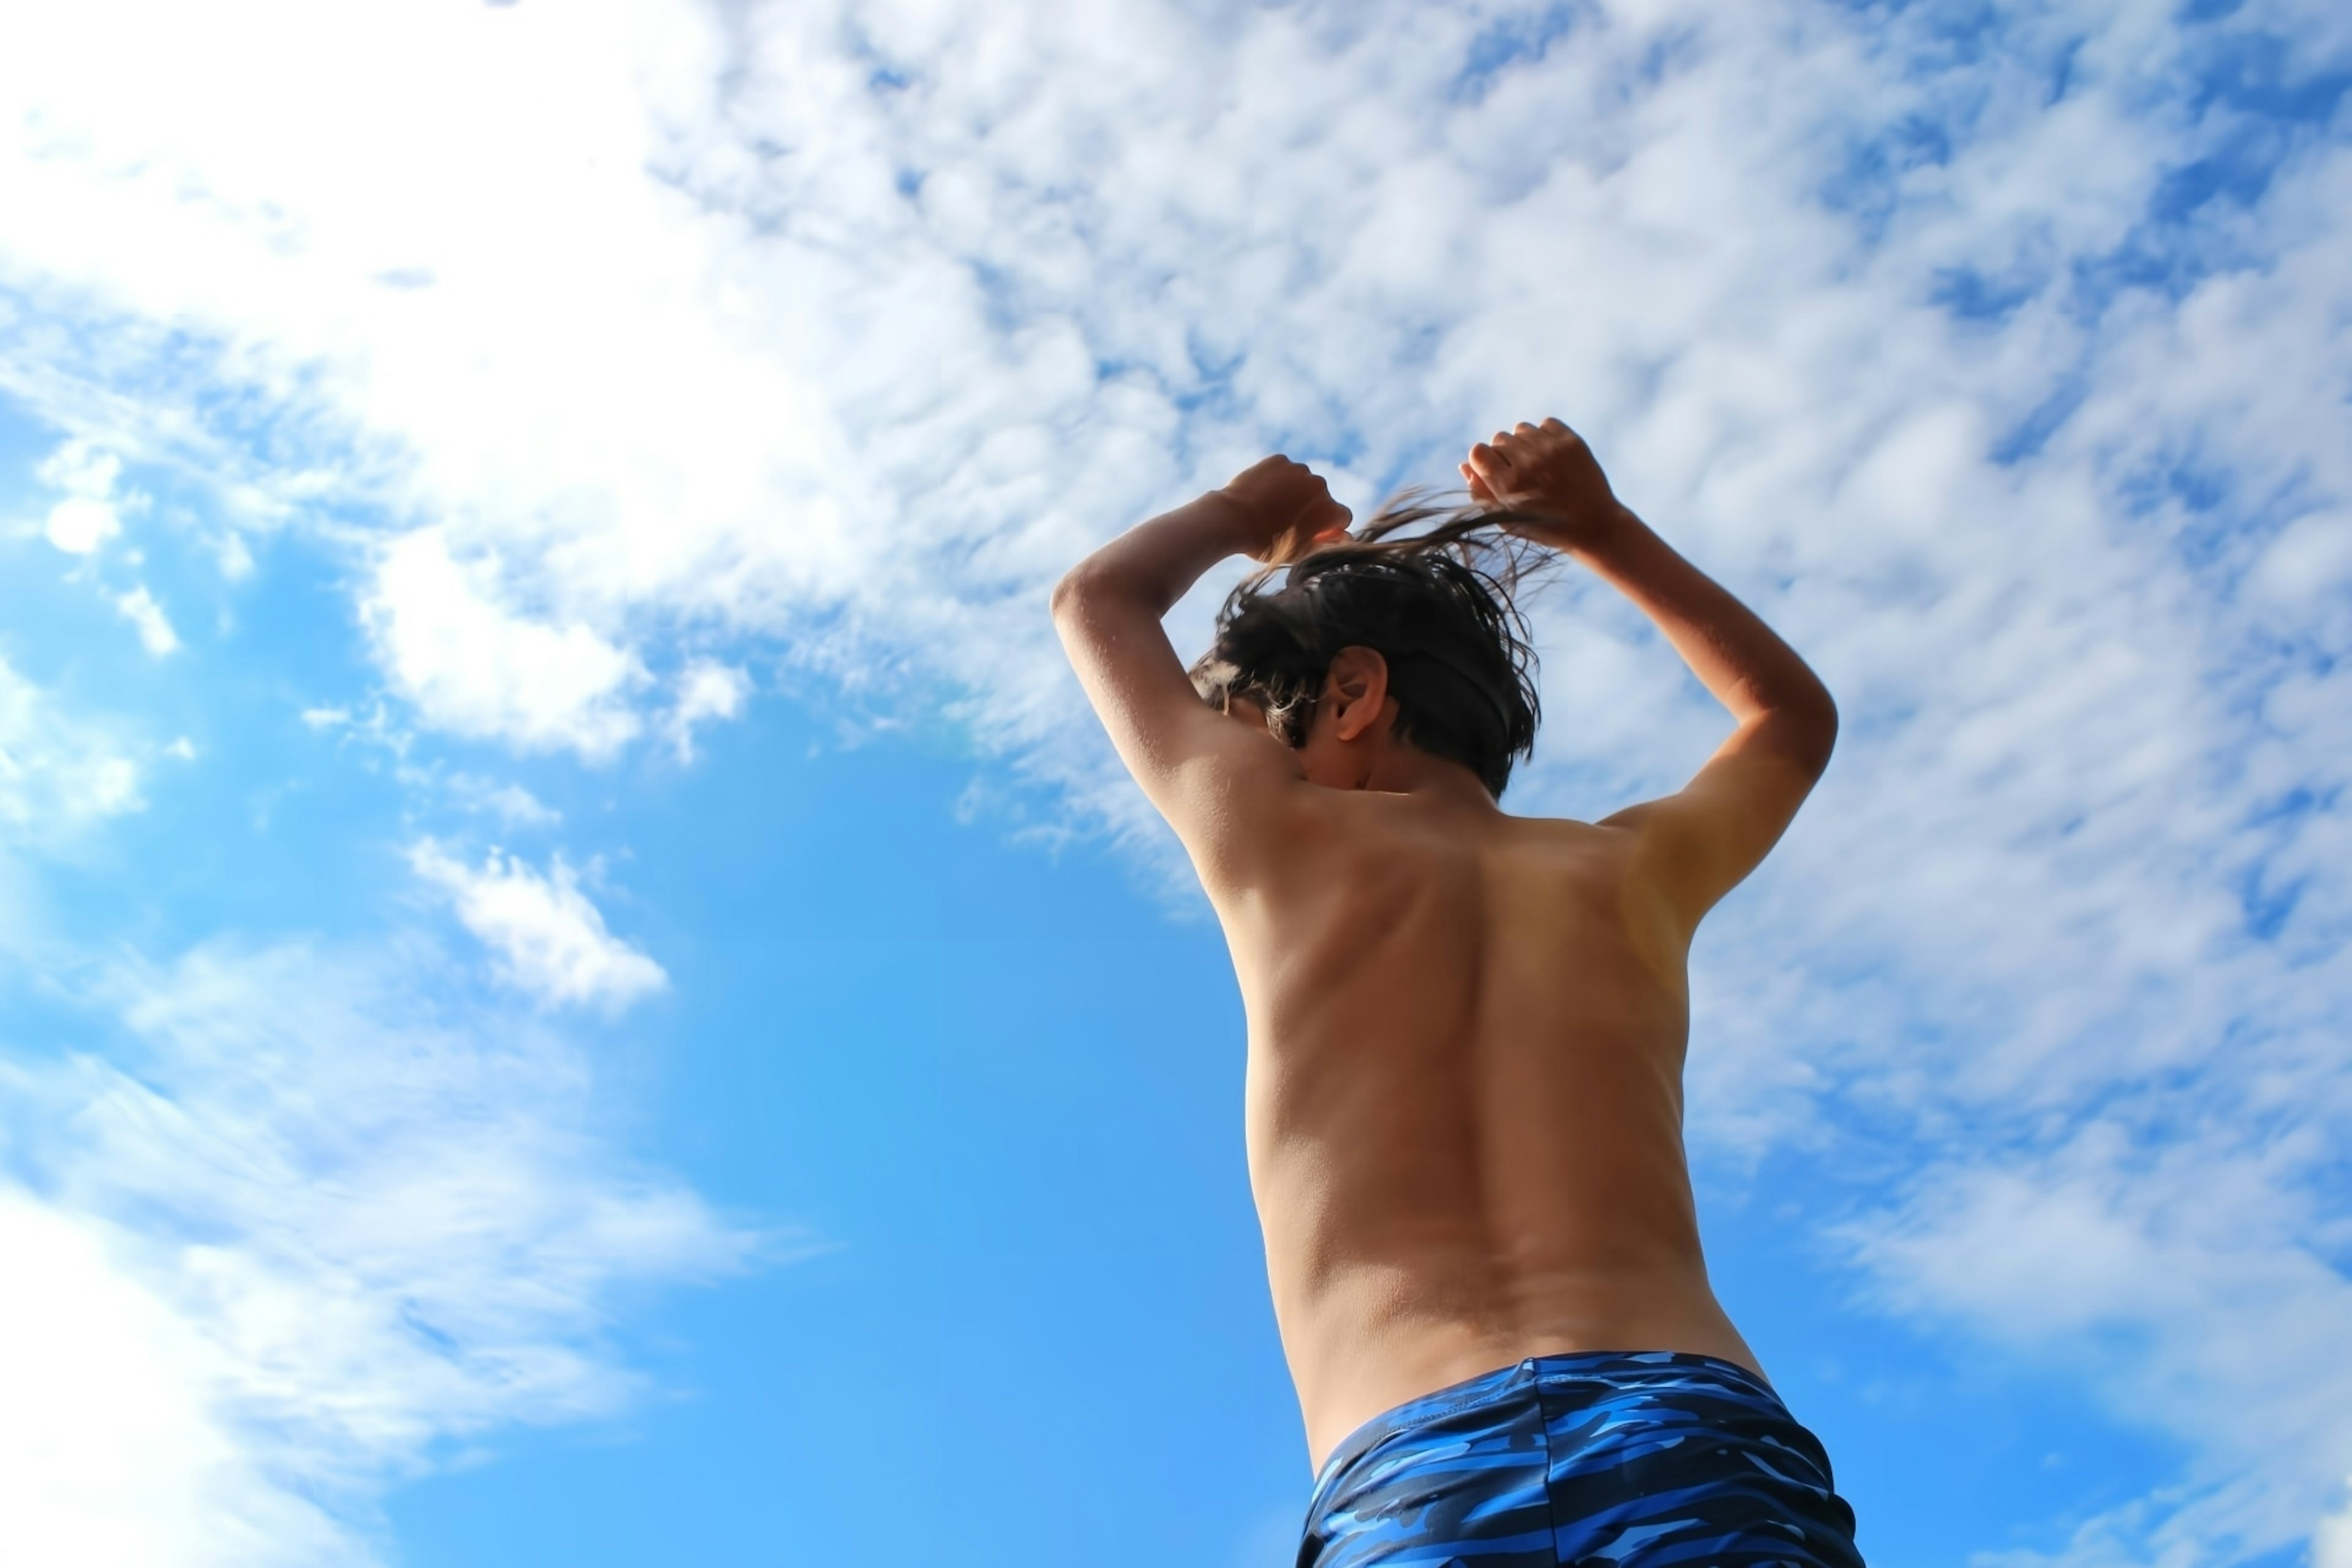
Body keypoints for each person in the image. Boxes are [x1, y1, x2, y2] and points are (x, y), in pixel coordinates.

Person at [1050, 418, 1862, 1566]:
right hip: (1695, 1444)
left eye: (1246, 732)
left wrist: (1250, 509)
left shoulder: (1279, 836)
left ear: (1350, 697)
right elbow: (1789, 718)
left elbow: (1098, 601)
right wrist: (1603, 531)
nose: (1244, 765)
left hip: (1420, 1476)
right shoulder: (1629, 874)